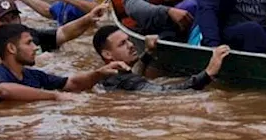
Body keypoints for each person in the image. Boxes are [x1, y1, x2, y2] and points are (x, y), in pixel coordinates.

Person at [0, 23, 124, 103]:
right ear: (11, 48)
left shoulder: (35, 76)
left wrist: (99, 73)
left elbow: (72, 84)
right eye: (29, 43)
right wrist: (54, 96)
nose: (35, 47)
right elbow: (5, 91)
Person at [92, 26, 228, 92]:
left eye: (129, 40)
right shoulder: (125, 80)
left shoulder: (108, 76)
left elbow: (133, 78)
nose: (131, 45)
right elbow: (167, 92)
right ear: (107, 55)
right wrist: (208, 73)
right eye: (122, 44)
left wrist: (148, 53)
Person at [0, 0, 108, 56]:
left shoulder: (33, 34)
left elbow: (64, 33)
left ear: (20, 19)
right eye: (4, 21)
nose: (11, 24)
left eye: (13, 18)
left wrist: (88, 18)